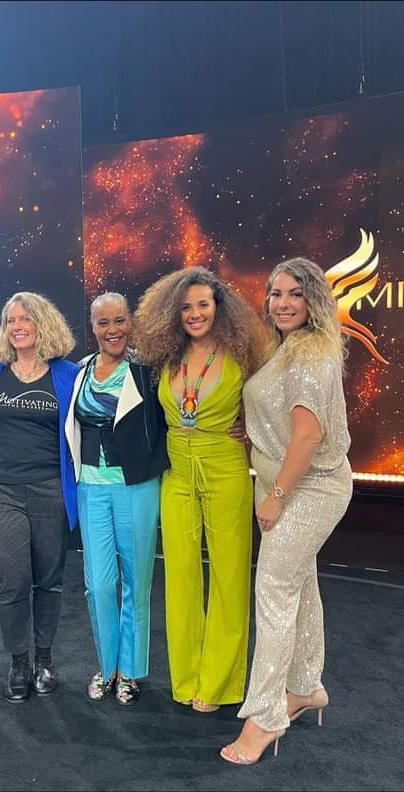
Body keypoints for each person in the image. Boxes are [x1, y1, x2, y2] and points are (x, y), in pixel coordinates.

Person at [221, 258, 353, 765]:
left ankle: (265, 717)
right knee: (300, 583)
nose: (282, 303)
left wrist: (275, 497)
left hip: (309, 488)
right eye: (276, 293)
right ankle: (305, 688)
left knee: (274, 591)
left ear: (313, 299)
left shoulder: (310, 354)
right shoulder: (287, 347)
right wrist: (253, 428)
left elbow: (309, 435)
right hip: (290, 482)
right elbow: (281, 414)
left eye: (295, 293)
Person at [134, 266, 268, 712]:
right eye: (186, 307)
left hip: (225, 467)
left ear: (218, 307)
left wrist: (251, 431)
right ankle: (187, 678)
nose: (194, 314)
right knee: (181, 576)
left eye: (203, 305)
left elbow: (271, 406)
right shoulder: (165, 358)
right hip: (176, 471)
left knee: (229, 576)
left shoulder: (243, 355)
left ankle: (218, 684)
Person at [0, 291, 78, 703]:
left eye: (25, 318)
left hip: (51, 489)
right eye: (10, 320)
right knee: (13, 579)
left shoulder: (69, 374)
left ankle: (44, 660)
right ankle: (18, 662)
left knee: (49, 580)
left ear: (43, 323)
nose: (16, 326)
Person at [64, 293, 169, 705]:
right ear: (92, 327)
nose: (113, 330)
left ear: (131, 322)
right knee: (100, 585)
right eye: (104, 322)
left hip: (136, 487)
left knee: (136, 583)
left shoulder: (147, 371)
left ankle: (130, 671)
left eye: (120, 320)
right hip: (90, 488)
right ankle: (106, 666)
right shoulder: (80, 371)